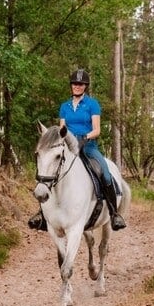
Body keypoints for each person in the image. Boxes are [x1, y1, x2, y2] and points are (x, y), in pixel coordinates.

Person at [29, 68, 126, 232]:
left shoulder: (92, 104)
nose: (77, 86)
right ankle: (42, 214)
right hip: (68, 147)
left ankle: (114, 213)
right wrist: (64, 142)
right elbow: (62, 130)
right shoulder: (64, 106)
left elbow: (97, 129)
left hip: (88, 146)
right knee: (49, 173)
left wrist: (85, 137)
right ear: (71, 85)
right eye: (75, 83)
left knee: (105, 173)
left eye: (80, 84)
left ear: (85, 86)